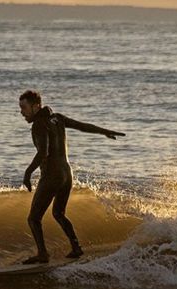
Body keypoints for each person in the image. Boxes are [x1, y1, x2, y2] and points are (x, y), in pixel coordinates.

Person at [18, 90, 125, 264]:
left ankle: (43, 254)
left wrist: (27, 173)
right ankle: (76, 248)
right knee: (59, 213)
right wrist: (104, 131)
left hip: (52, 175)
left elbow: (42, 153)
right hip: (67, 174)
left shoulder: (39, 124)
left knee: (33, 218)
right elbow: (82, 126)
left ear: (36, 106)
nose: (21, 112)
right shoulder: (57, 118)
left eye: (24, 107)